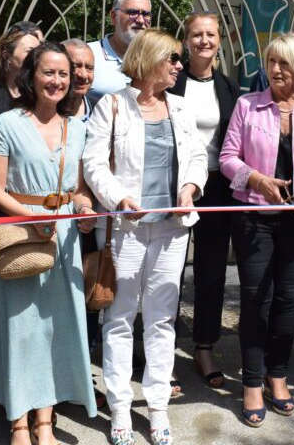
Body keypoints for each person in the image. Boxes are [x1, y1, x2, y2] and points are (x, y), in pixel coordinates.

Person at [83, 29, 207, 445]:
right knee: (119, 318)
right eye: (172, 58)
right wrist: (118, 198)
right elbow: (93, 163)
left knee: (161, 319)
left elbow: (197, 156)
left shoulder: (180, 106)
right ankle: (120, 407)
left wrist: (190, 187)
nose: (179, 65)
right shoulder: (113, 105)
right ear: (150, 58)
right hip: (126, 228)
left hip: (172, 228)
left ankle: (157, 407)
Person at [219, 32, 294, 427]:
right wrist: (257, 180)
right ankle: (252, 382)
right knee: (256, 299)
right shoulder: (247, 106)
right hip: (254, 217)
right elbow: (227, 159)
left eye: (285, 64)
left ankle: (278, 374)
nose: (275, 70)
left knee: (290, 300)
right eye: (271, 61)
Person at [0, 42, 97, 445]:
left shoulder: (78, 128)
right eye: (49, 72)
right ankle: (18, 421)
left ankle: (45, 420)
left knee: (55, 329)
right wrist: (31, 217)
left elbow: (80, 189)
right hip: (21, 234)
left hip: (64, 237)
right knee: (21, 330)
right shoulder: (7, 123)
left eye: (63, 74)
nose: (57, 81)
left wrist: (84, 207)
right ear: (32, 75)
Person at [166, 12, 239, 389]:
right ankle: (163, 350)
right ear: (186, 40)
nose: (204, 41)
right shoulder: (170, 81)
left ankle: (204, 346)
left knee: (211, 272)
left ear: (219, 41)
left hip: (217, 187)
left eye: (211, 34)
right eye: (197, 34)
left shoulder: (229, 87)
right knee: (169, 271)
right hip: (174, 185)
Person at [87, 0, 152, 101]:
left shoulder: (156, 59)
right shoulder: (89, 54)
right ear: (113, 16)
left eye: (146, 14)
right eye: (133, 13)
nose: (141, 20)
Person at [0, 22, 42, 118]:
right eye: (30, 51)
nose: (36, 57)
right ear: (7, 56)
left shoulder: (41, 95)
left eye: (38, 52)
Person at [62, 38, 96, 119]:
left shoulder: (98, 112)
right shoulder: (42, 114)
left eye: (89, 68)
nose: (83, 75)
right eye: (75, 66)